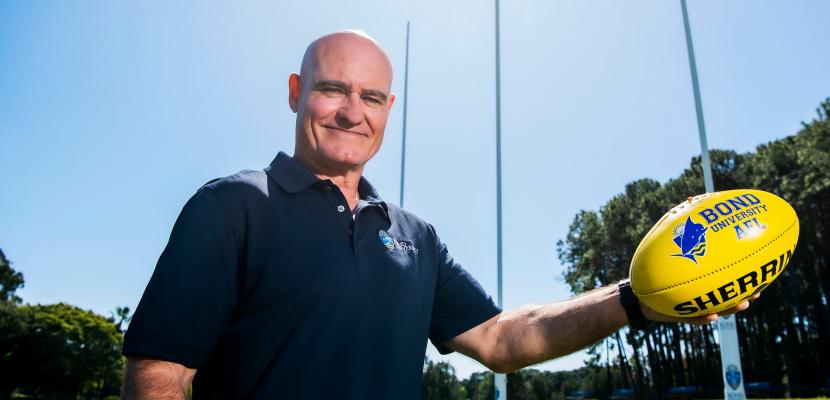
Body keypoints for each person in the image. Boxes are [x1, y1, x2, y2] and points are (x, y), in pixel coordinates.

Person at [121, 30, 752, 399]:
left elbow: (503, 340)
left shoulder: (414, 236)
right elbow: (161, 373)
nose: (351, 111)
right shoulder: (231, 206)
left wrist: (635, 300)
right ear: (296, 92)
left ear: (389, 108)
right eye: (332, 89)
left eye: (370, 97)